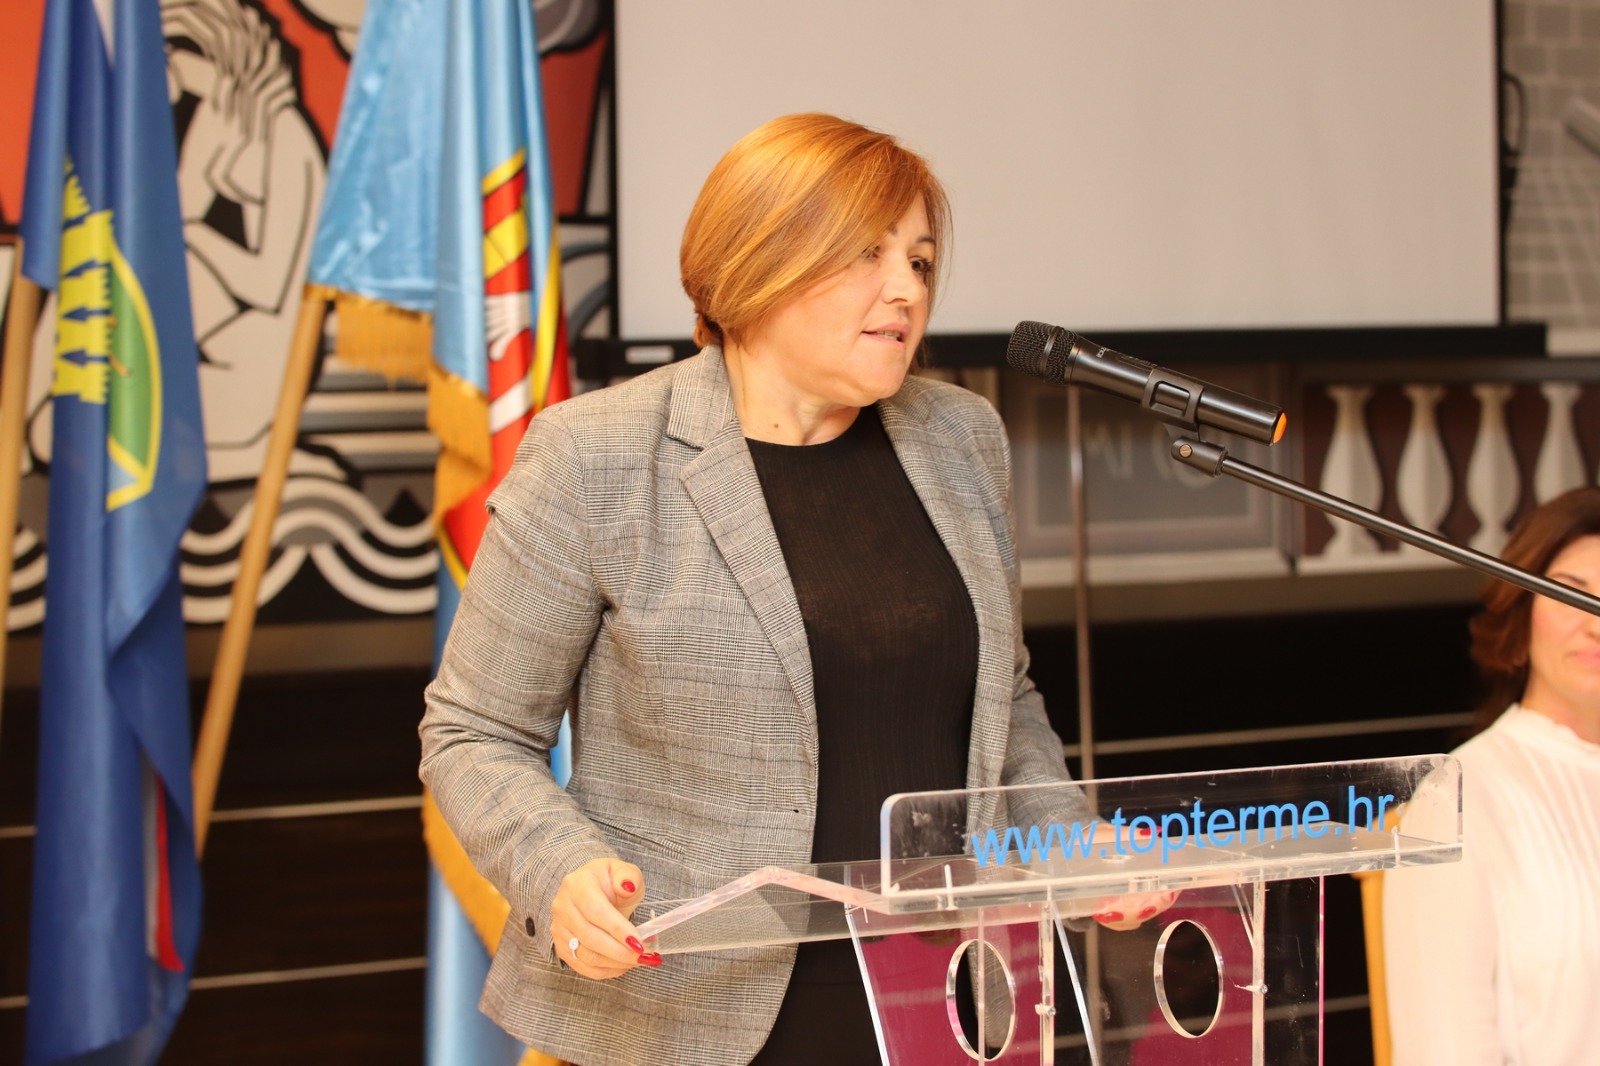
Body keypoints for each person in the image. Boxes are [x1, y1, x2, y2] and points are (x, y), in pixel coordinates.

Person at [418, 112, 1092, 1065]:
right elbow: (474, 732)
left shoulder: (960, 437)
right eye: (867, 254)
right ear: (756, 265)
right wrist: (560, 872)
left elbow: (1001, 701)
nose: (907, 288)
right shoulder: (596, 456)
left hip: (947, 1002)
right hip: (686, 1008)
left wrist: (1077, 848)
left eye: (920, 260)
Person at [1384, 486, 1600, 1065]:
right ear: (1522, 612)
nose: (1595, 624)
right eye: (1572, 593)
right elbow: (1442, 1050)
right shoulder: (1453, 800)